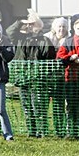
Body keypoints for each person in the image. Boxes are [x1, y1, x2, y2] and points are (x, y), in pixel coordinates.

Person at [6, 9, 55, 138]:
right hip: (23, 79)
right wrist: (22, 21)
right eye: (30, 24)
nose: (31, 26)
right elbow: (9, 31)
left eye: (34, 24)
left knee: (39, 107)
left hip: (39, 80)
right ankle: (32, 132)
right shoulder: (21, 38)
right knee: (27, 107)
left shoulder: (45, 40)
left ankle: (42, 132)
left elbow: (50, 59)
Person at [45, 17, 69, 138]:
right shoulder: (47, 38)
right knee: (46, 104)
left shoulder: (68, 40)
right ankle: (47, 129)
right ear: (54, 27)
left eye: (64, 27)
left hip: (63, 76)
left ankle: (61, 129)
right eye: (59, 26)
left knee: (60, 104)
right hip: (49, 76)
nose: (61, 29)